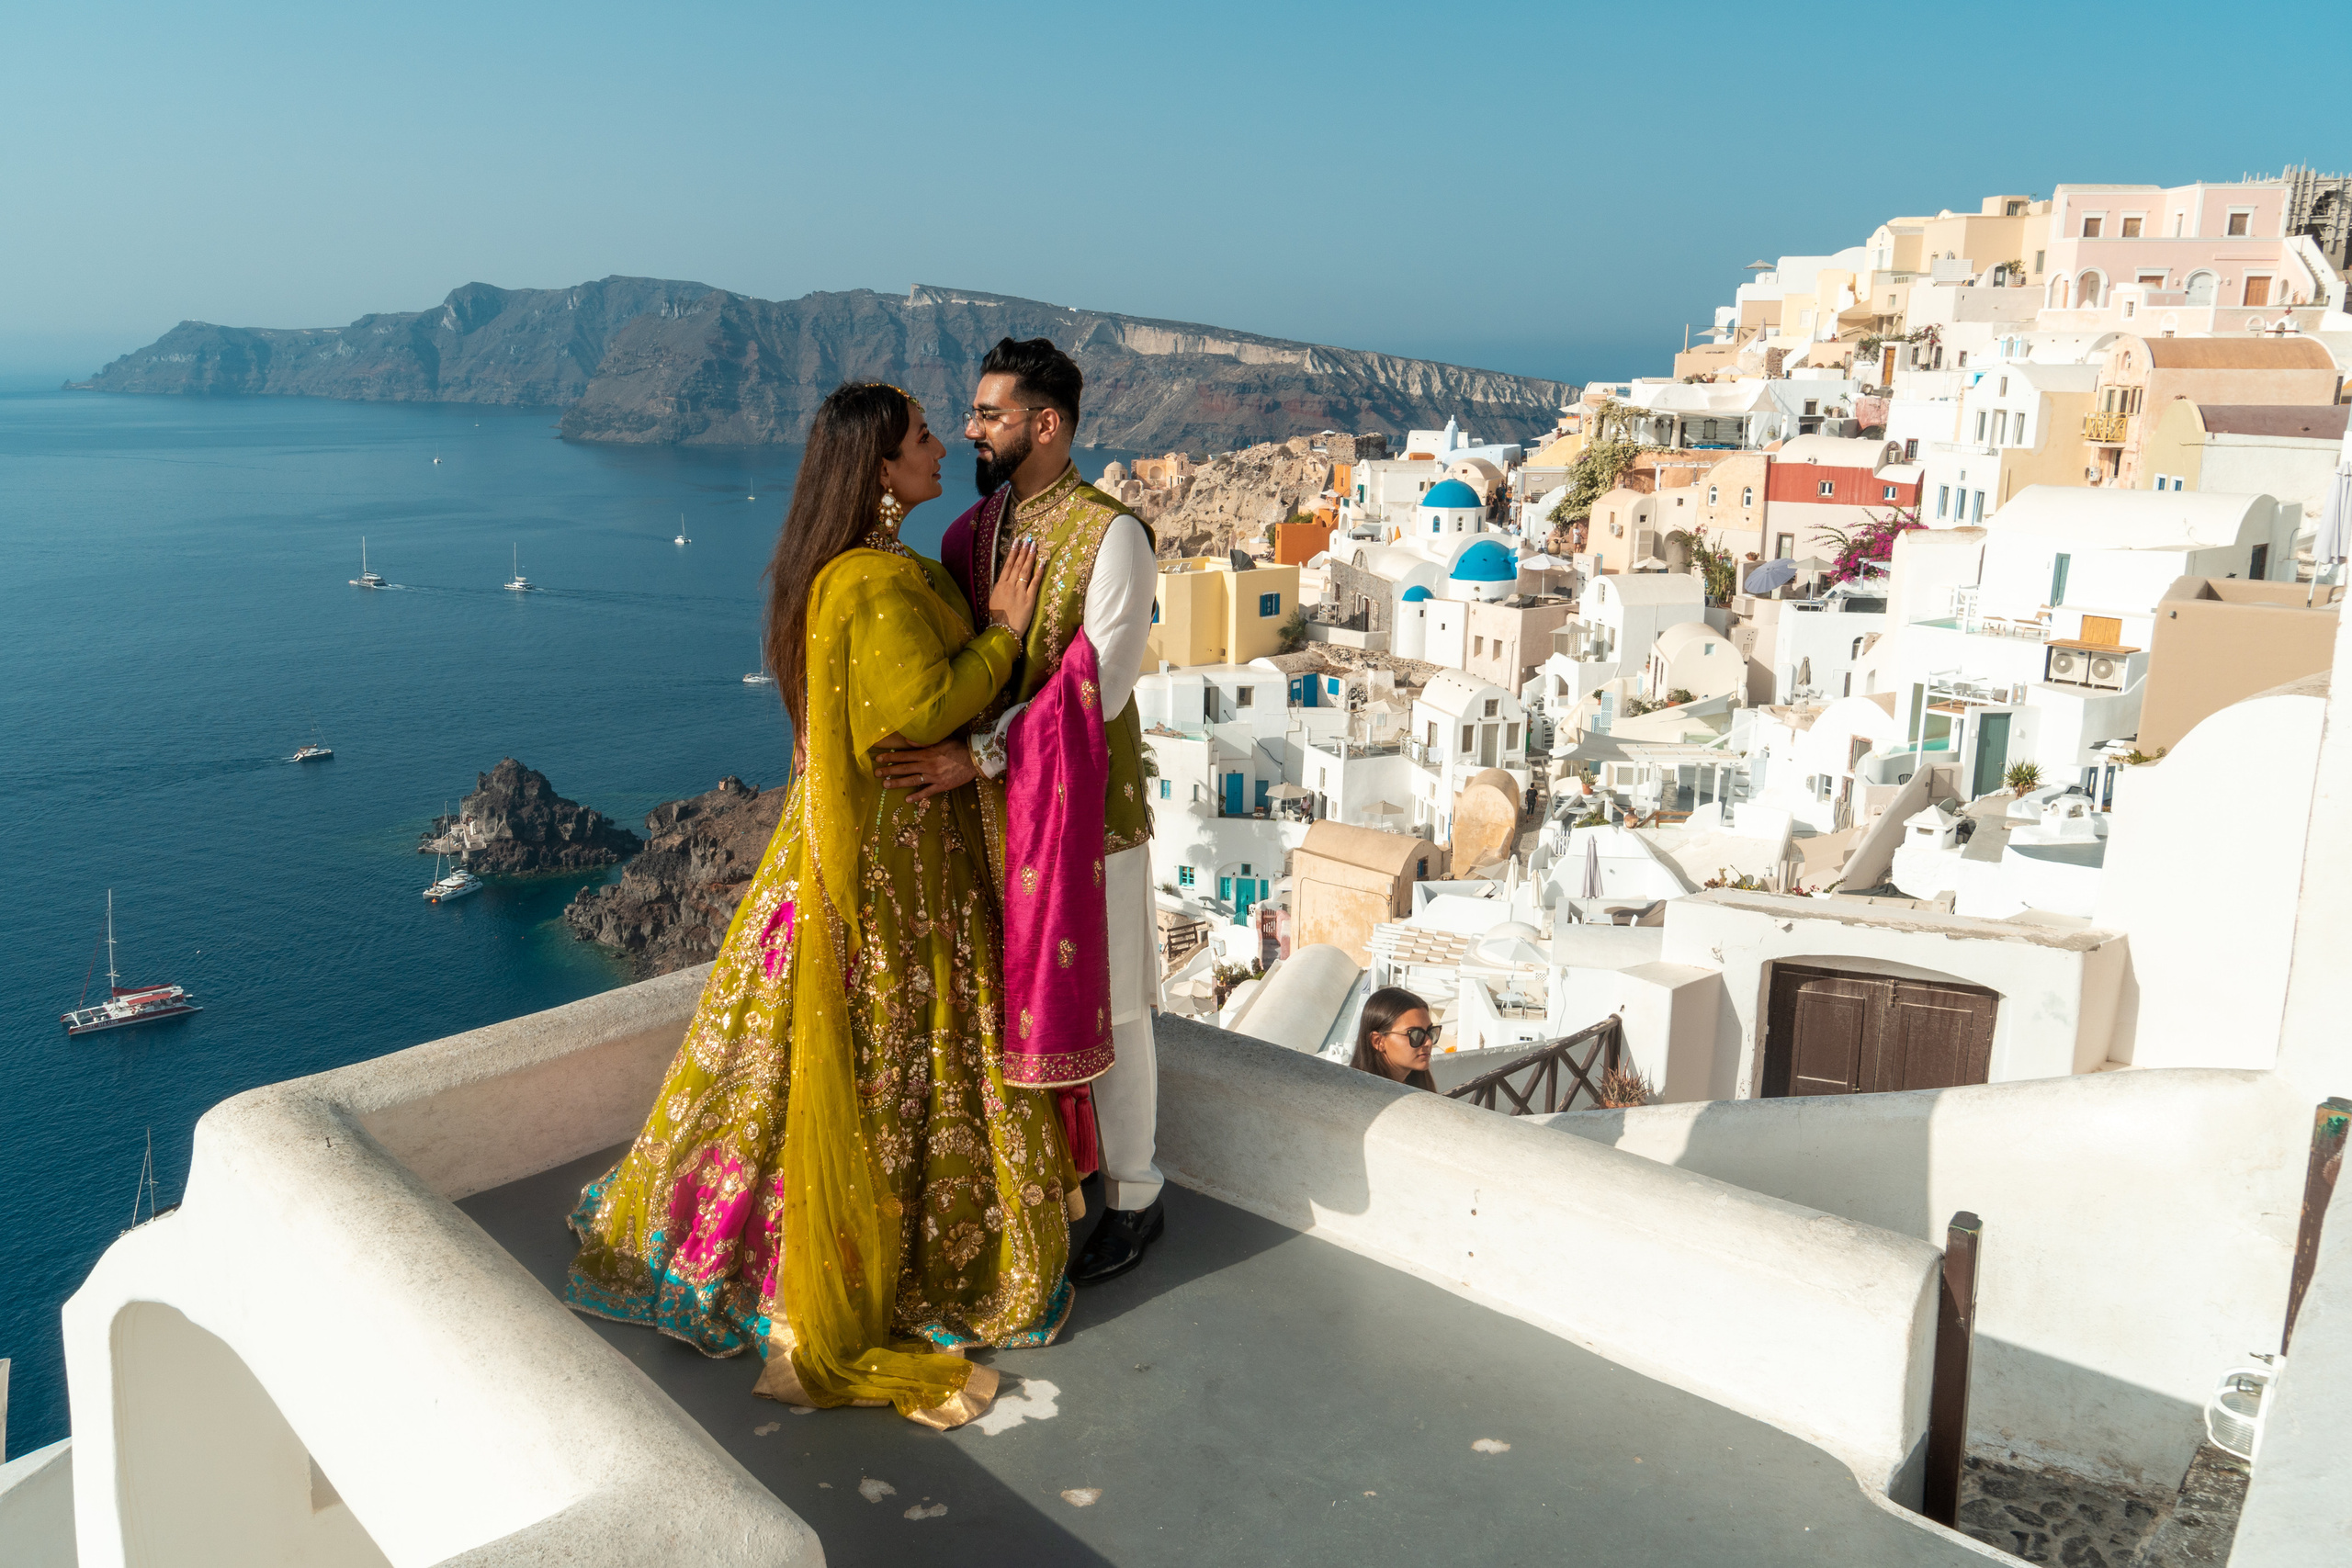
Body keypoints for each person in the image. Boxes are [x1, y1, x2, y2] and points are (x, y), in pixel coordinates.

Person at [566, 383, 1071, 1431]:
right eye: (925, 438)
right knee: (872, 1059)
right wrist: (1008, 634)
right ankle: (837, 1265)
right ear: (883, 470)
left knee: (798, 1068)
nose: (943, 449)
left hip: (872, 855)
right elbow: (921, 709)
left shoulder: (872, 571)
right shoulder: (872, 586)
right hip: (882, 876)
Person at [874, 338, 1165, 1287]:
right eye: (967, 414)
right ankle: (1039, 1187)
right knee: (999, 1006)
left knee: (1115, 1009)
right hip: (985, 815)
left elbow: (1102, 686)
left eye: (989, 415)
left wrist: (981, 756)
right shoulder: (968, 536)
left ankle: (1135, 1194)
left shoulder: (1111, 534)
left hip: (1084, 817)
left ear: (1045, 425)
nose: (968, 429)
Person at [1351, 987, 1441, 1091]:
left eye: (1430, 1032)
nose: (1429, 1042)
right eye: (1415, 1034)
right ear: (1378, 1041)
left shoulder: (1417, 1088)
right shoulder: (1356, 1095)